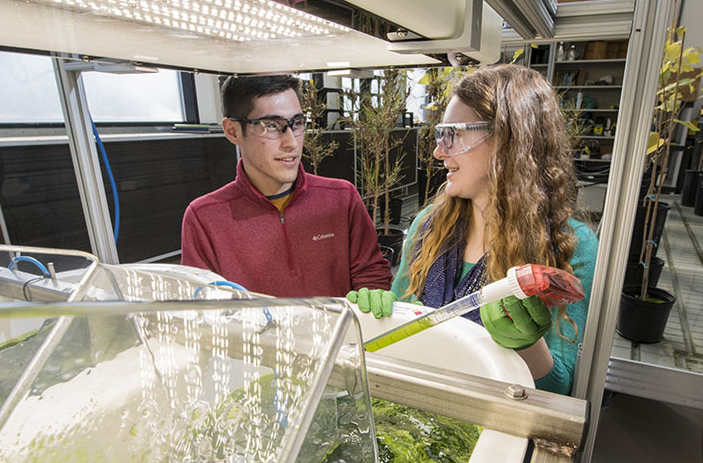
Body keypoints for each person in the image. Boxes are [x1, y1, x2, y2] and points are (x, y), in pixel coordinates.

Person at [349, 64, 598, 395]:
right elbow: (403, 323)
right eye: (440, 134)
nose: (439, 152)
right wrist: (380, 312)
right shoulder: (429, 225)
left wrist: (529, 347)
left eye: (454, 134)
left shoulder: (570, 245)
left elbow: (559, 390)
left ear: (509, 140)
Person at [181, 74, 392, 297]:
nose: (291, 142)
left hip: (341, 331)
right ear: (233, 131)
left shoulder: (341, 198)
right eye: (271, 126)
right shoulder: (204, 218)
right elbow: (202, 306)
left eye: (297, 123)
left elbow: (371, 274)